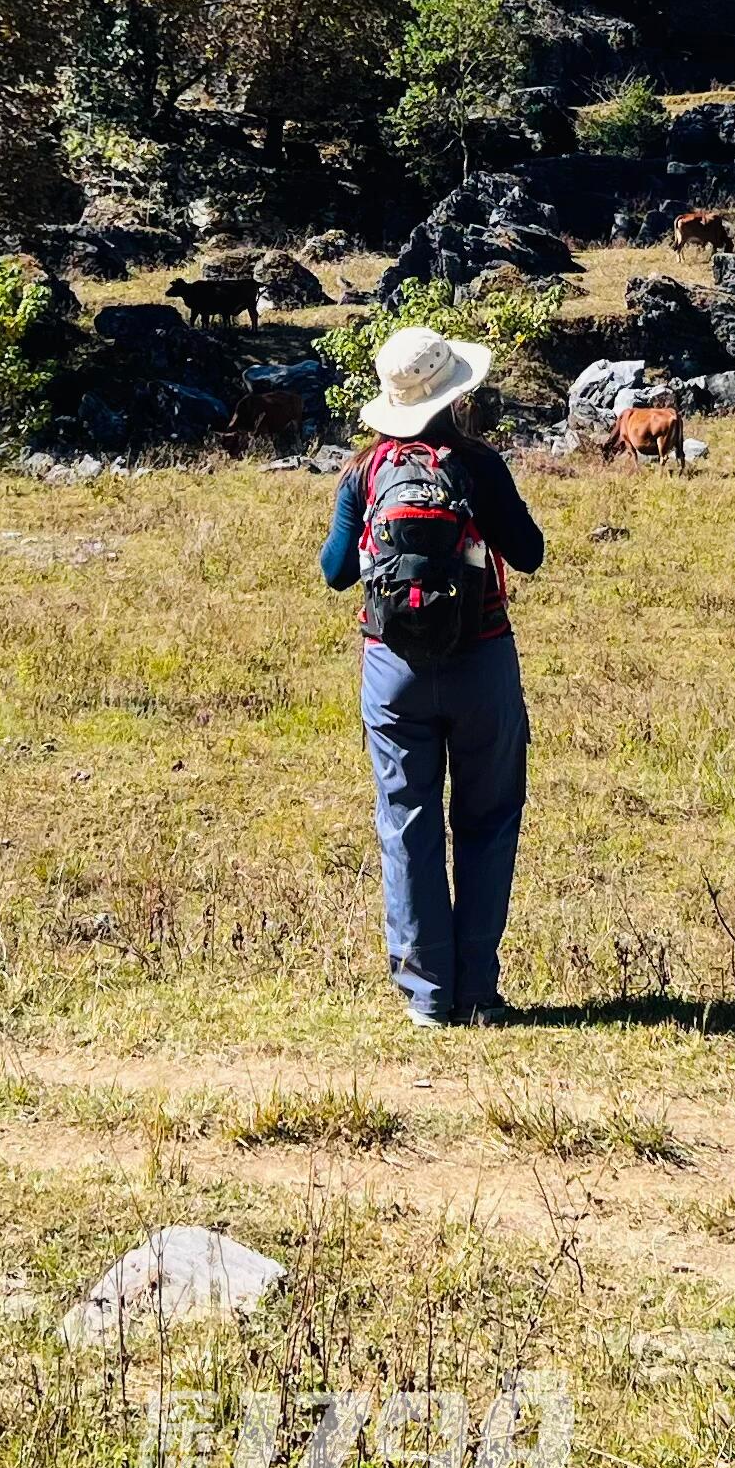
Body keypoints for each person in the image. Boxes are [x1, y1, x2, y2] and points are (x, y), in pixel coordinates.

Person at [325, 323, 545, 1026]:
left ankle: (426, 997)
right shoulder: (479, 465)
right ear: (455, 395)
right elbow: (530, 552)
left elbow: (334, 572)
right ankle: (477, 991)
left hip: (392, 669)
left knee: (406, 821)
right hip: (482, 659)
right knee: (488, 819)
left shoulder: (363, 472)